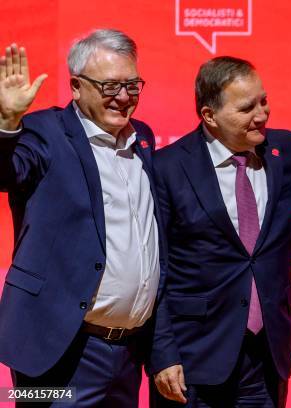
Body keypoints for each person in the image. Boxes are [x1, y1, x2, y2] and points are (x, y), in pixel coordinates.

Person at [0, 29, 164, 406]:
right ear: (76, 86)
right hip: (55, 349)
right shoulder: (43, 132)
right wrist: (7, 123)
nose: (123, 98)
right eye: (110, 86)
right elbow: (6, 173)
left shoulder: (144, 139)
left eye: (132, 85)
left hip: (126, 355)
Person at [150, 56, 291, 407]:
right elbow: (154, 270)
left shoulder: (287, 150)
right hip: (192, 361)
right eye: (246, 108)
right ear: (209, 116)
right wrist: (162, 354)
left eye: (264, 101)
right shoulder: (168, 168)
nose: (262, 114)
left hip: (267, 354)